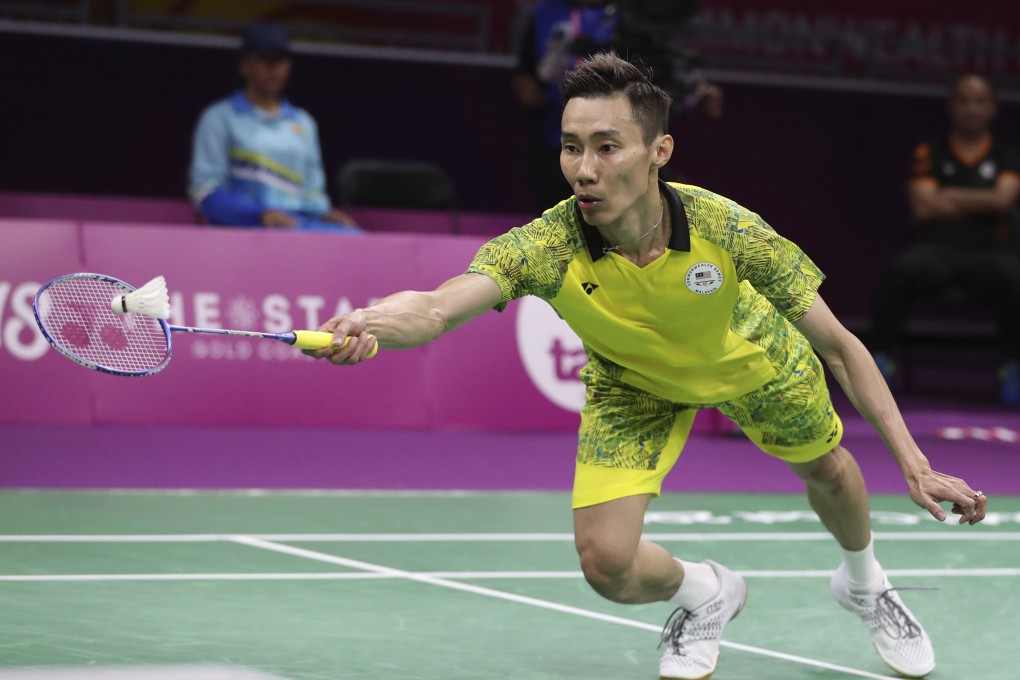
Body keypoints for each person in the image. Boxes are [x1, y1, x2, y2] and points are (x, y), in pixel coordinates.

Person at [307, 53, 987, 680]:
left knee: (830, 469)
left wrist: (915, 465)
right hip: (633, 385)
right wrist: (370, 321)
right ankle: (707, 592)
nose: (584, 168)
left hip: (745, 353)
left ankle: (865, 583)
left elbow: (840, 344)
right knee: (607, 566)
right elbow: (435, 306)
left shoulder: (729, 229)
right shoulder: (546, 245)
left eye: (607, 147)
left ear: (659, 150)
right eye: (573, 147)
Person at [870, 73, 1020, 405]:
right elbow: (924, 207)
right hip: (937, 251)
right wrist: (983, 199)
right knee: (899, 273)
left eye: (980, 101)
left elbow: (1004, 201)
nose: (972, 108)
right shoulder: (930, 152)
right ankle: (882, 360)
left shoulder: (1007, 155)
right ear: (952, 107)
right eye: (964, 100)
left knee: (1016, 279)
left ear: (992, 108)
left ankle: (1012, 365)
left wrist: (947, 196)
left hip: (990, 254)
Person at [512, 0, 722, 213]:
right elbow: (527, 90)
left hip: (621, 153)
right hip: (555, 147)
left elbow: (659, 60)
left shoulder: (632, 12)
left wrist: (695, 87)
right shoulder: (544, 14)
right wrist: (549, 74)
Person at [188, 22, 360, 233]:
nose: (273, 68)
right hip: (243, 229)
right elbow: (205, 193)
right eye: (264, 59)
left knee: (353, 237)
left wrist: (325, 213)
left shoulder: (304, 122)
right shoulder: (218, 118)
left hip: (299, 228)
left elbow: (313, 193)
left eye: (279, 59)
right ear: (244, 66)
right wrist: (259, 214)